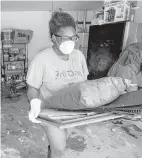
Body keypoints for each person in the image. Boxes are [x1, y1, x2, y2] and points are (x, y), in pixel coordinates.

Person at [26, 11, 89, 158]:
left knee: (60, 143)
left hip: (73, 110)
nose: (70, 42)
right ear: (53, 37)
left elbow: (84, 83)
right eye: (65, 38)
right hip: (51, 110)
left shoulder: (78, 56)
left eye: (73, 38)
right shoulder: (41, 59)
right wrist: (34, 102)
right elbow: (32, 88)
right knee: (60, 149)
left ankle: (52, 151)